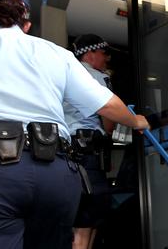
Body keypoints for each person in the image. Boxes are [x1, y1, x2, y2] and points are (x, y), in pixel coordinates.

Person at [0, 0, 150, 249]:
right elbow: (107, 105)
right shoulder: (56, 54)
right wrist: (137, 121)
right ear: (27, 25)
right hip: (55, 176)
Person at [64, 33, 117, 249]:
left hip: (65, 152)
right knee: (87, 222)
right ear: (90, 54)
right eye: (104, 54)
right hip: (88, 153)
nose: (106, 59)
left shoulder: (65, 75)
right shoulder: (98, 78)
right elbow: (109, 124)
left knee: (80, 220)